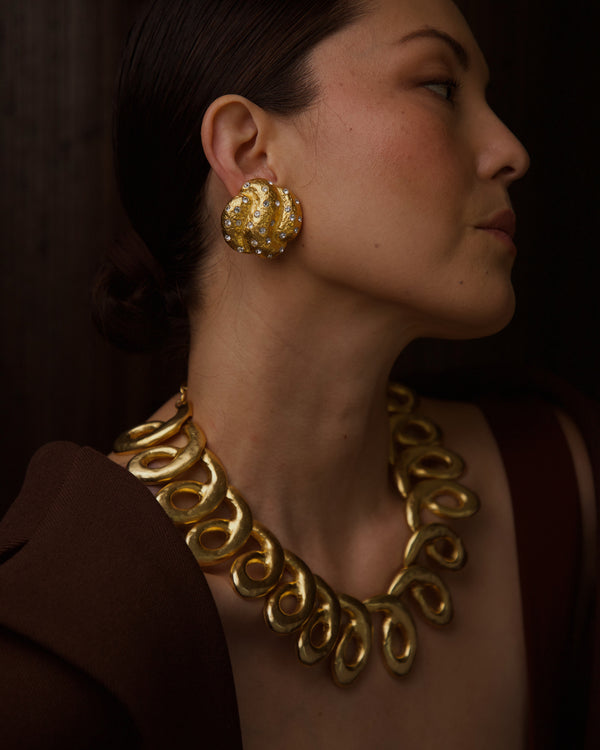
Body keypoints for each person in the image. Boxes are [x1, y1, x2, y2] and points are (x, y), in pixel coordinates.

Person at [1, 0, 598, 748]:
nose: (511, 150)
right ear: (250, 150)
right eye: (441, 87)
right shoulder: (63, 639)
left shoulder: (558, 487)